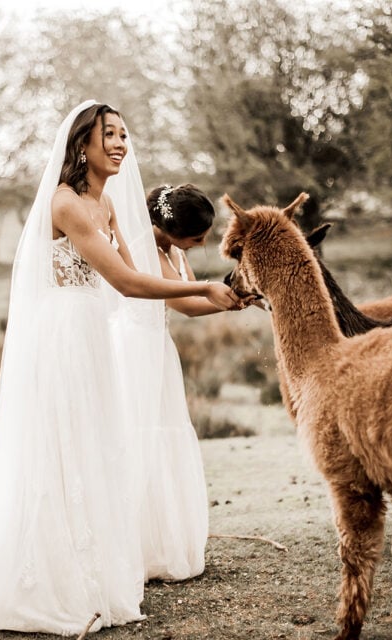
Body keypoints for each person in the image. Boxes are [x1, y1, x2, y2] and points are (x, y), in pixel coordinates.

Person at [0, 100, 241, 637]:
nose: (121, 144)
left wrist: (219, 293)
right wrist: (199, 286)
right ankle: (51, 580)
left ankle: (90, 573)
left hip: (93, 337)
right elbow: (127, 284)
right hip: (64, 339)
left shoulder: (106, 207)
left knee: (97, 448)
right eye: (110, 135)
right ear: (83, 145)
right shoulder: (69, 206)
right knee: (64, 451)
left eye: (124, 135)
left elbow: (139, 272)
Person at [136, 184, 257, 582]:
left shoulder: (171, 249)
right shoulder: (140, 246)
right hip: (131, 348)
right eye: (196, 238)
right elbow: (187, 300)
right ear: (169, 227)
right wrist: (212, 295)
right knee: (138, 441)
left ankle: (157, 541)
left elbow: (190, 308)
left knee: (162, 440)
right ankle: (137, 546)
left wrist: (236, 301)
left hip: (157, 348)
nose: (201, 243)